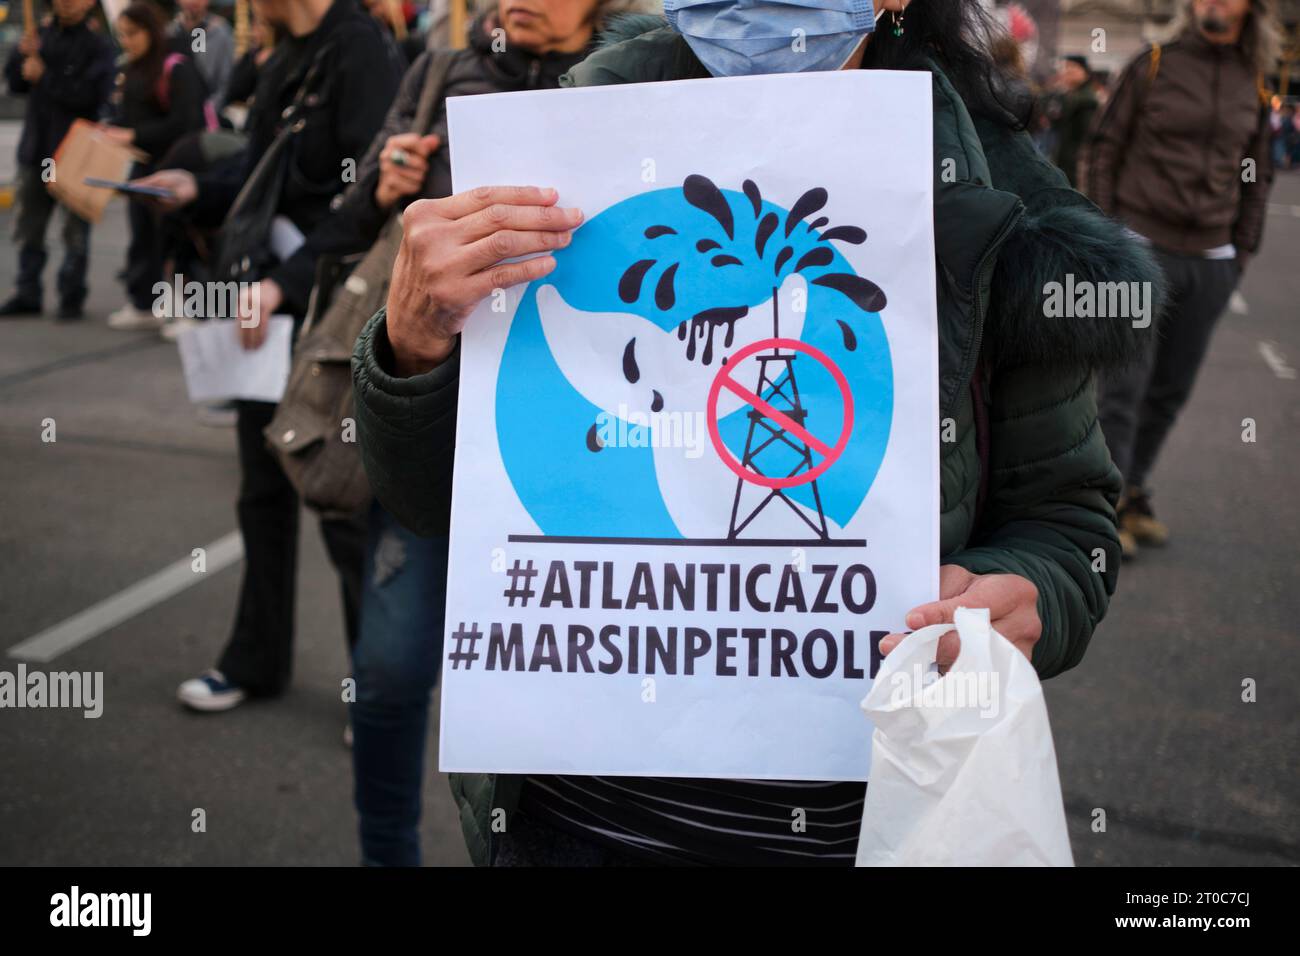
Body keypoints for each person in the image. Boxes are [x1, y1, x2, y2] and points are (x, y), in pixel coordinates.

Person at [353, 0, 1162, 865]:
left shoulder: (1005, 219)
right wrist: (411, 343)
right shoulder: (563, 149)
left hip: (862, 825)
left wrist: (1021, 592)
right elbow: (430, 498)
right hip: (573, 820)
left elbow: (1071, 528)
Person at [303, 0, 604, 867]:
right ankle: (387, 853)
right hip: (439, 424)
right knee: (391, 668)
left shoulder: (644, 79)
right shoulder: (439, 73)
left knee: (580, 672)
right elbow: (359, 214)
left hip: (584, 443)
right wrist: (390, 188)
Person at [131, 0, 402, 713]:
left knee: (342, 501)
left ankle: (367, 688)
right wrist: (195, 188)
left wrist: (284, 283)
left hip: (332, 309)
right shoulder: (283, 56)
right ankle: (255, 660)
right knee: (261, 488)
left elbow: (366, 201)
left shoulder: (360, 49)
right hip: (270, 304)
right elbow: (261, 174)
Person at [1084, 0, 1279, 558]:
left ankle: (1136, 489)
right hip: (1142, 247)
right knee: (1123, 390)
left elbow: (1257, 172)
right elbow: (1102, 148)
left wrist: (1241, 252)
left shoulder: (1255, 81)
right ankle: (1106, 509)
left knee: (1171, 390)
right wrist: (1110, 237)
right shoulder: (1153, 63)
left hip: (1212, 259)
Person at [0, 0, 116, 321]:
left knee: (74, 230)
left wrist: (46, 76)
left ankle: (71, 293)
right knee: (29, 225)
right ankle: (27, 290)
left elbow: (92, 97)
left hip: (74, 152)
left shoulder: (97, 46)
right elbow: (15, 83)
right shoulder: (38, 36)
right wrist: (22, 59)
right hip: (37, 150)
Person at [102, 2, 208, 332]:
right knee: (143, 238)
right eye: (121, 34)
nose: (126, 41)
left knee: (179, 240)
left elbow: (186, 121)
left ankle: (193, 311)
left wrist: (133, 133)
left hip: (177, 167)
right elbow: (132, 115)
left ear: (151, 31)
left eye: (132, 33)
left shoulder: (176, 66)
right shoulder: (132, 68)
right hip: (142, 166)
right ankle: (144, 302)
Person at [166, 0, 236, 111]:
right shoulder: (170, 32)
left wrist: (207, 112)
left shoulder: (221, 33)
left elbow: (226, 84)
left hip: (208, 113)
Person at [1047, 54, 1097, 186]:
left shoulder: (1087, 101)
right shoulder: (1067, 96)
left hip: (1075, 162)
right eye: (1065, 68)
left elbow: (1087, 134)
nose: (1067, 72)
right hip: (1064, 158)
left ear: (1084, 72)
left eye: (1072, 68)